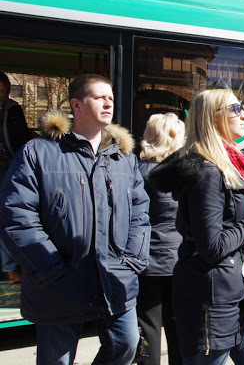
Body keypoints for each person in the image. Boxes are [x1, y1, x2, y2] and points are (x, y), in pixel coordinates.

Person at [0, 74, 150, 364]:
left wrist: (132, 262)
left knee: (127, 345)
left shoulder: (123, 158)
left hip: (114, 279)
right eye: (100, 97)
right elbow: (16, 217)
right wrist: (50, 267)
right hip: (59, 281)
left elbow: (140, 214)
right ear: (76, 104)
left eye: (111, 98)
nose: (109, 103)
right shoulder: (39, 153)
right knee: (57, 359)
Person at [149, 88, 244, 364]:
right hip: (211, 304)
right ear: (213, 119)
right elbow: (213, 248)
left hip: (235, 294)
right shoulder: (208, 172)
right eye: (236, 109)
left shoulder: (223, 166)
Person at [137, 113, 186, 365]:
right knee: (178, 328)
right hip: (179, 260)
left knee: (149, 328)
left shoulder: (138, 171)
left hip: (147, 262)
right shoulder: (185, 174)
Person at [0, 71, 32, 283]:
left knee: (7, 215)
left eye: (2, 91)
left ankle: (10, 267)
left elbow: (20, 139)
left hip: (6, 167)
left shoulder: (12, 110)